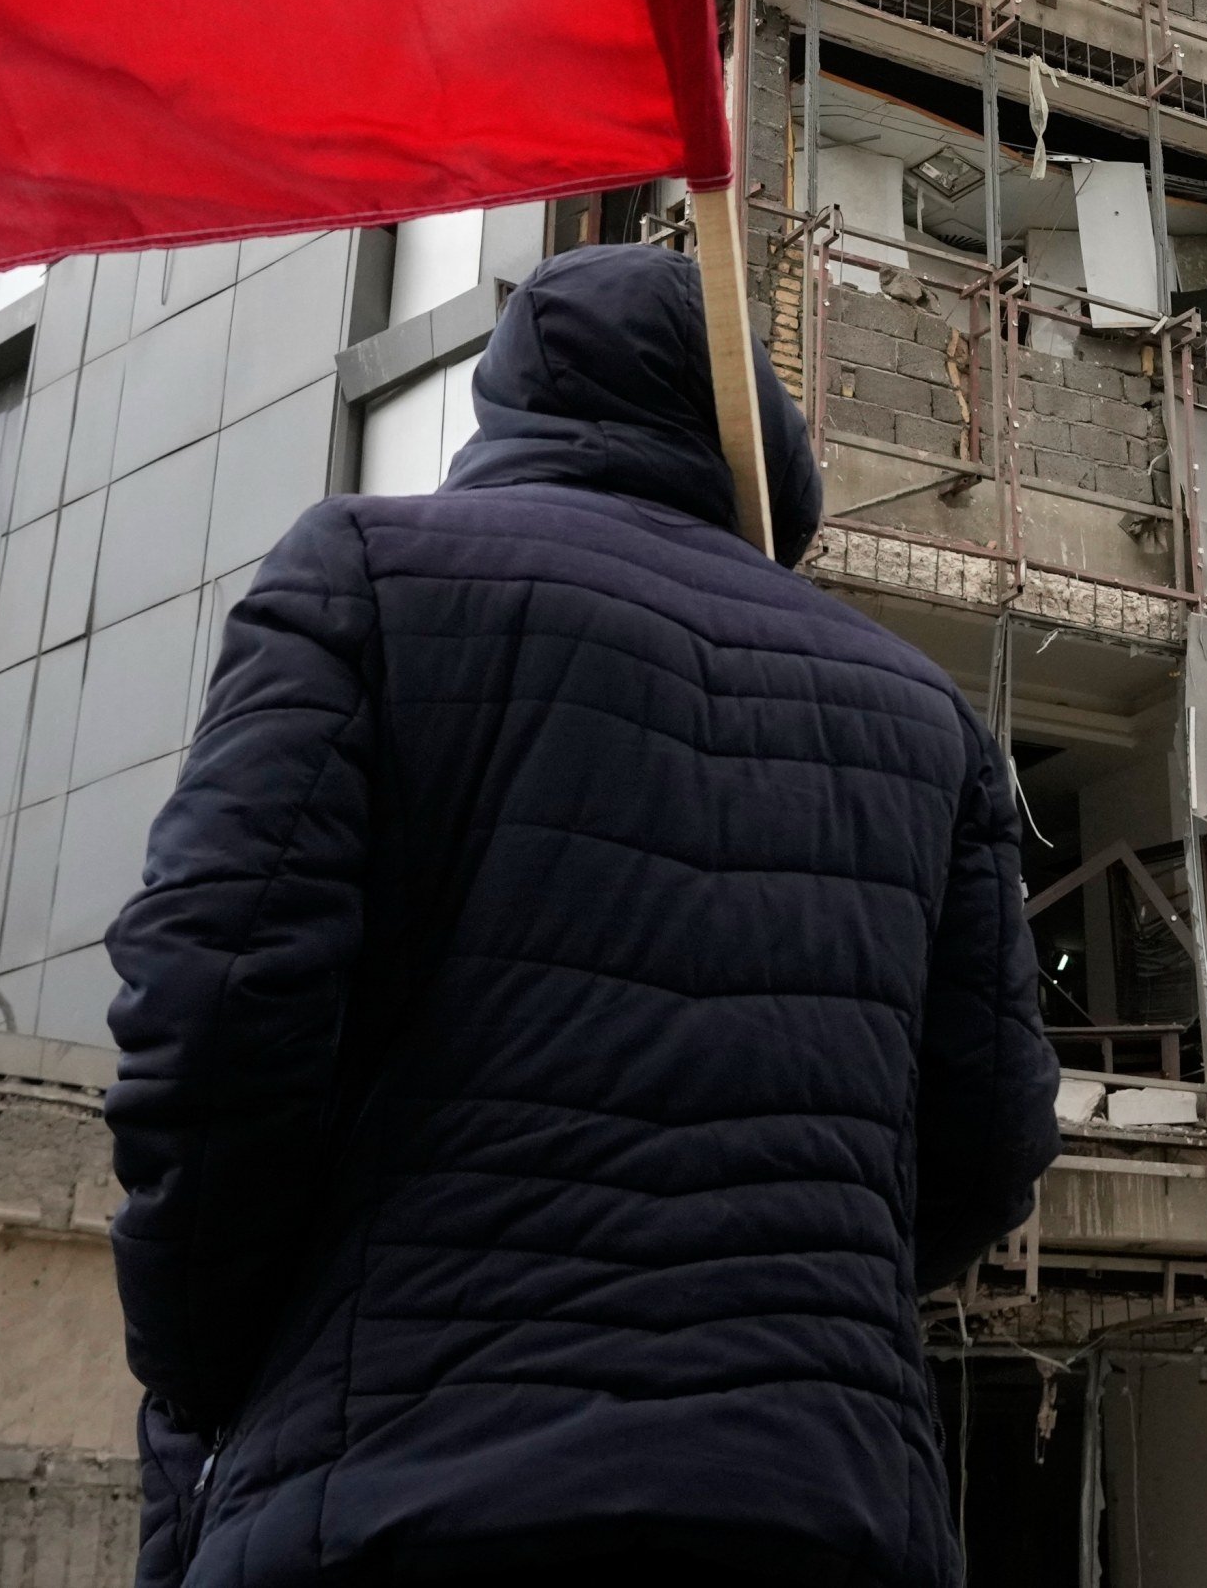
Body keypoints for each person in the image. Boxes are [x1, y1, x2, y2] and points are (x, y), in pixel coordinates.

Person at [102, 241, 1061, 1588]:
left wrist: (217, 1372)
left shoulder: (366, 578)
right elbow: (995, 1137)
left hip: (399, 1490)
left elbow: (209, 1018)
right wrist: (780, 1293)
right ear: (761, 434)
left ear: (515, 406)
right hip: (827, 1502)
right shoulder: (926, 717)